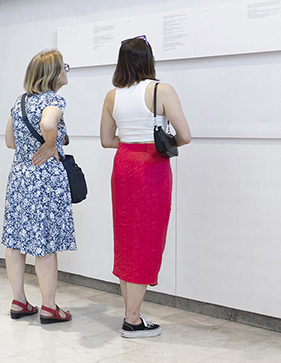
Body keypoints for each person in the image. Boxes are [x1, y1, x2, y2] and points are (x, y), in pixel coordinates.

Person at [100, 35, 191, 338]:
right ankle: (132, 320)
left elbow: (107, 140)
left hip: (123, 165)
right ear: (148, 59)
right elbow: (185, 136)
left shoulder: (112, 96)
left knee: (127, 238)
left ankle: (132, 313)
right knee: (147, 239)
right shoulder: (161, 91)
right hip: (151, 167)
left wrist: (131, 140)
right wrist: (159, 142)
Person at [2, 49, 75, 325]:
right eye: (64, 66)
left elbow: (10, 141)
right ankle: (49, 307)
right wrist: (49, 145)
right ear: (54, 73)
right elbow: (47, 122)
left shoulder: (19, 102)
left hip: (19, 177)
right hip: (44, 179)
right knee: (45, 243)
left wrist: (36, 145)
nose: (66, 71)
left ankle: (19, 301)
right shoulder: (54, 100)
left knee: (15, 240)